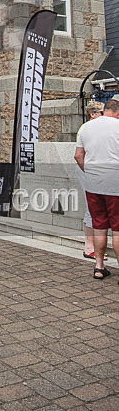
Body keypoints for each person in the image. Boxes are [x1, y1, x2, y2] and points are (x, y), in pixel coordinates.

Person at [75, 99, 119, 281]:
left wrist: (91, 172)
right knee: (117, 229)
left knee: (99, 226)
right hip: (115, 183)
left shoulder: (86, 127)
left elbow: (78, 156)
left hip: (93, 185)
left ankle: (99, 266)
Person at [75, 101, 106, 259]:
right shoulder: (87, 128)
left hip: (95, 170)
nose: (104, 115)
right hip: (87, 169)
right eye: (102, 112)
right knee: (91, 206)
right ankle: (89, 245)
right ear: (93, 114)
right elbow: (79, 155)